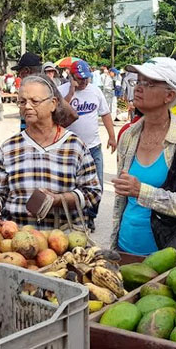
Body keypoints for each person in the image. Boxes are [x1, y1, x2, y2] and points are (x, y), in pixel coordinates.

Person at [111, 57, 176, 255]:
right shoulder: (129, 135)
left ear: (169, 95)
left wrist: (142, 192)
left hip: (166, 257)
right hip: (125, 249)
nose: (138, 88)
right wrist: (114, 246)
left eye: (148, 84)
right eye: (137, 81)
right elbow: (121, 200)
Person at [0, 75, 102, 228]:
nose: (27, 106)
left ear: (53, 104)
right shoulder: (9, 147)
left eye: (35, 101)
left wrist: (58, 200)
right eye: (22, 102)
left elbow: (93, 193)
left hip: (63, 242)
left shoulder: (74, 146)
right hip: (17, 240)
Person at [59, 60, 117, 228]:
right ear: (71, 77)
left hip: (93, 147)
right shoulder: (62, 92)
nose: (84, 82)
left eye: (86, 78)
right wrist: (71, 92)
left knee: (96, 184)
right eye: (80, 78)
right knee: (72, 185)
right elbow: (58, 114)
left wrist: (112, 137)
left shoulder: (95, 91)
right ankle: (75, 217)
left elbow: (105, 114)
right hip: (70, 148)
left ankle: (90, 216)